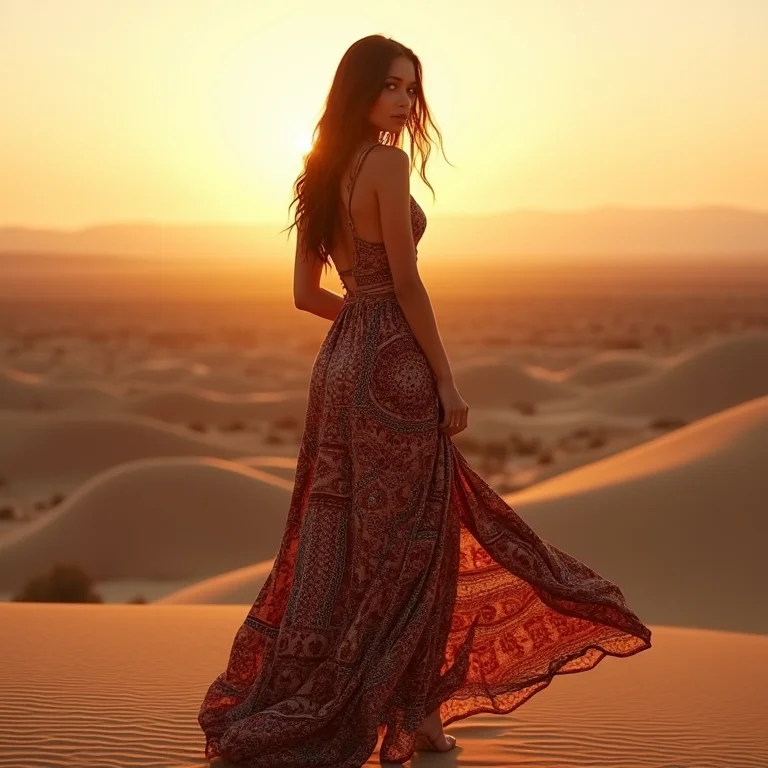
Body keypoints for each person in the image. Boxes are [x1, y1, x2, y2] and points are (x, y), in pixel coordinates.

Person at [198, 33, 652, 768]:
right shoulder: (387, 163)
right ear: (360, 91)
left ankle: (392, 706)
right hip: (393, 373)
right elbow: (406, 281)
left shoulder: (319, 171)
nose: (405, 101)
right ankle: (416, 717)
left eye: (412, 88)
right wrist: (442, 376)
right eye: (391, 86)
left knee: (347, 539)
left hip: (338, 366)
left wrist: (358, 326)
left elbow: (305, 295)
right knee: (416, 544)